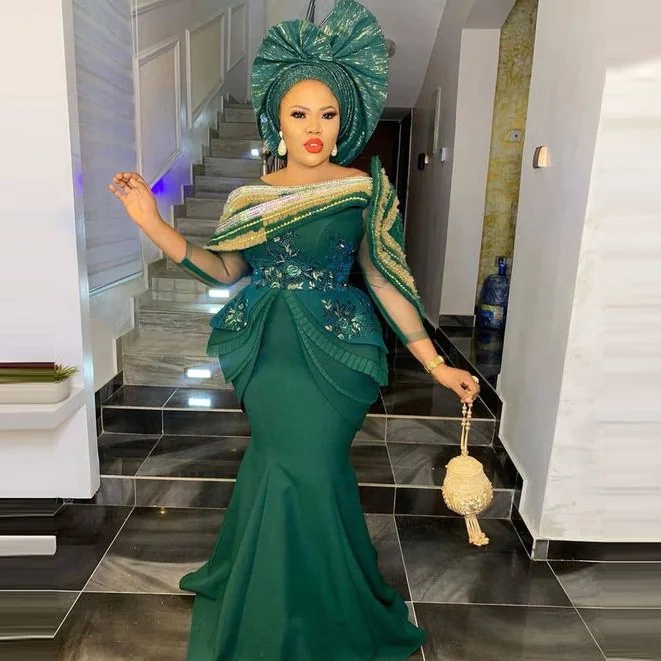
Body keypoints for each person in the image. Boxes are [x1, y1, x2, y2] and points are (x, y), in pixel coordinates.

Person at [109, 1, 480, 657]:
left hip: (337, 350)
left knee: (313, 465)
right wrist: (153, 224)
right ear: (277, 121)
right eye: (299, 113)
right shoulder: (248, 198)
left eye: (327, 114)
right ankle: (279, 596)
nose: (314, 127)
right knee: (282, 464)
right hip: (269, 350)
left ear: (343, 122)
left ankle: (316, 600)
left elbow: (385, 280)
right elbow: (225, 268)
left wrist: (433, 363)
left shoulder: (362, 189)